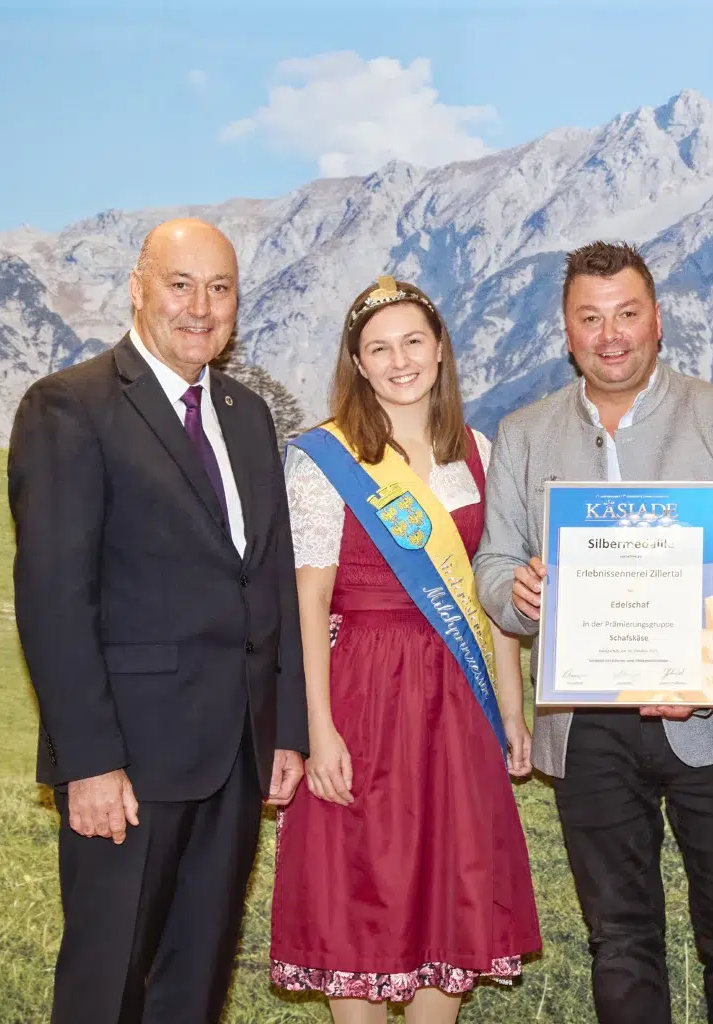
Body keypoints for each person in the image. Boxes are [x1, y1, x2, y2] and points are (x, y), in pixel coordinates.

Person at [474, 241, 713, 1024]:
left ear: (657, 319)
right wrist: (516, 594)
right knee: (617, 944)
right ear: (566, 331)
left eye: (626, 314)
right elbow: (495, 564)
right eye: (590, 318)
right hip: (586, 730)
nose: (610, 335)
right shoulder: (523, 433)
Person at [8, 218, 308, 1024]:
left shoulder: (248, 415)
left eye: (220, 288)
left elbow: (270, 578)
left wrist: (285, 729)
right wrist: (89, 763)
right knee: (107, 989)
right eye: (181, 284)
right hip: (129, 767)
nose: (200, 307)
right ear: (137, 289)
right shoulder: (70, 407)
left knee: (195, 989)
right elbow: (54, 600)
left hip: (236, 759)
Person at [268, 277, 541, 1024]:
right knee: (357, 886)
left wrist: (511, 709)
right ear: (357, 363)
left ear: (440, 348)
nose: (400, 361)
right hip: (362, 691)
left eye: (413, 341)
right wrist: (317, 729)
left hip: (457, 698)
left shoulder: (478, 452)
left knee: (450, 884)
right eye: (380, 348)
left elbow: (489, 592)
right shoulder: (326, 458)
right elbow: (308, 601)